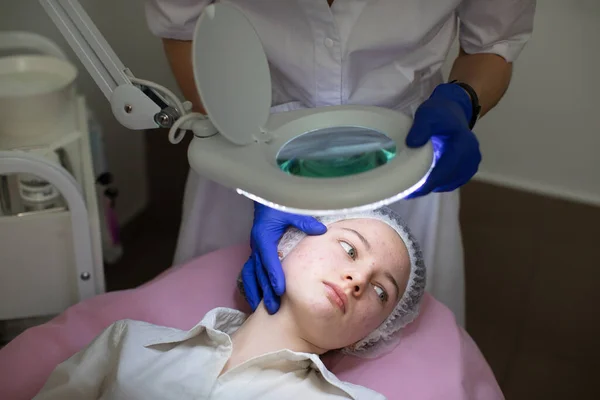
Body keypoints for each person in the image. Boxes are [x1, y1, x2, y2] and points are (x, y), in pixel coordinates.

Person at [145, 0, 537, 325]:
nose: (354, 282)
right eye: (349, 253)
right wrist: (248, 160)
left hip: (404, 155)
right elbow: (184, 28)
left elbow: (494, 41)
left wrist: (462, 100)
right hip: (248, 142)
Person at [33, 208, 426, 399]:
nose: (358, 279)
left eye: (381, 292)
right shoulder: (129, 345)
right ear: (287, 242)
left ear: (369, 335)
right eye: (349, 248)